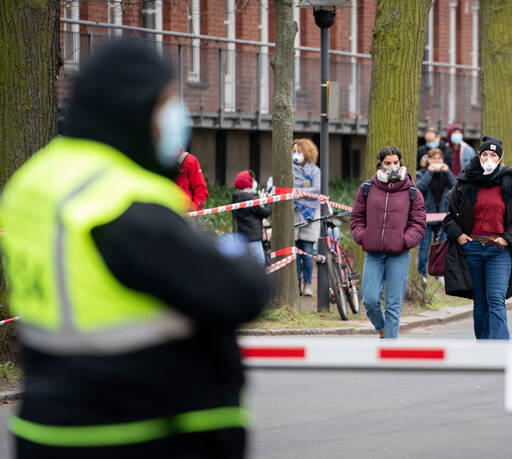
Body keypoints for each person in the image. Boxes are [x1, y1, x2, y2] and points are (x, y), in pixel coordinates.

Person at [0, 39, 272, 459]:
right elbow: (235, 291)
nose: (175, 115)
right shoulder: (115, 195)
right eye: (168, 101)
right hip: (135, 431)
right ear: (136, 105)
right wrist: (238, 256)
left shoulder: (34, 182)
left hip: (47, 425)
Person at [443, 136, 512, 340]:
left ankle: (500, 349)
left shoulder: (511, 184)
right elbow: (449, 216)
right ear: (479, 157)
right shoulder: (465, 183)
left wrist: (507, 239)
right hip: (472, 248)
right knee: (481, 301)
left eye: (493, 155)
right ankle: (483, 348)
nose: (489, 158)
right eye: (485, 154)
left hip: (498, 250)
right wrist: (459, 236)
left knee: (495, 299)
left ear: (500, 159)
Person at [350, 146, 426, 338]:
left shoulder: (412, 192)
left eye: (395, 163)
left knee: (393, 305)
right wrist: (362, 236)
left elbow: (419, 224)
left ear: (401, 164)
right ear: (380, 165)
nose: (392, 166)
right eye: (387, 163)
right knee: (370, 299)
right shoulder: (367, 188)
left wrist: (405, 241)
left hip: (399, 254)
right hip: (374, 254)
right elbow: (357, 217)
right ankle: (381, 328)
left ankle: (390, 351)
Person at [416, 148, 456, 281]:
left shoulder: (446, 174)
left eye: (439, 159)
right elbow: (419, 189)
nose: (437, 161)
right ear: (428, 160)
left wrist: (448, 171)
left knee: (441, 247)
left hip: (443, 218)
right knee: (424, 247)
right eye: (434, 159)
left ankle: (439, 274)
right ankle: (422, 274)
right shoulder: (422, 173)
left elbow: (456, 187)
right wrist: (429, 172)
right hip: (426, 218)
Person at [292, 138, 321, 297]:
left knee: (308, 253)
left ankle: (308, 284)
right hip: (294, 213)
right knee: (294, 253)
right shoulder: (288, 170)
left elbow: (317, 188)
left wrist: (299, 191)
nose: (296, 154)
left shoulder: (315, 171)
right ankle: (295, 284)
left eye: (299, 151)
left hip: (310, 215)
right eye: (294, 151)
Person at [232, 170, 272, 265]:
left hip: (240, 237)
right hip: (253, 238)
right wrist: (267, 201)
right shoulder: (252, 199)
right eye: (252, 181)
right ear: (247, 183)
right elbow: (265, 212)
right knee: (260, 263)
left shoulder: (236, 197)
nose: (254, 183)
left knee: (244, 264)